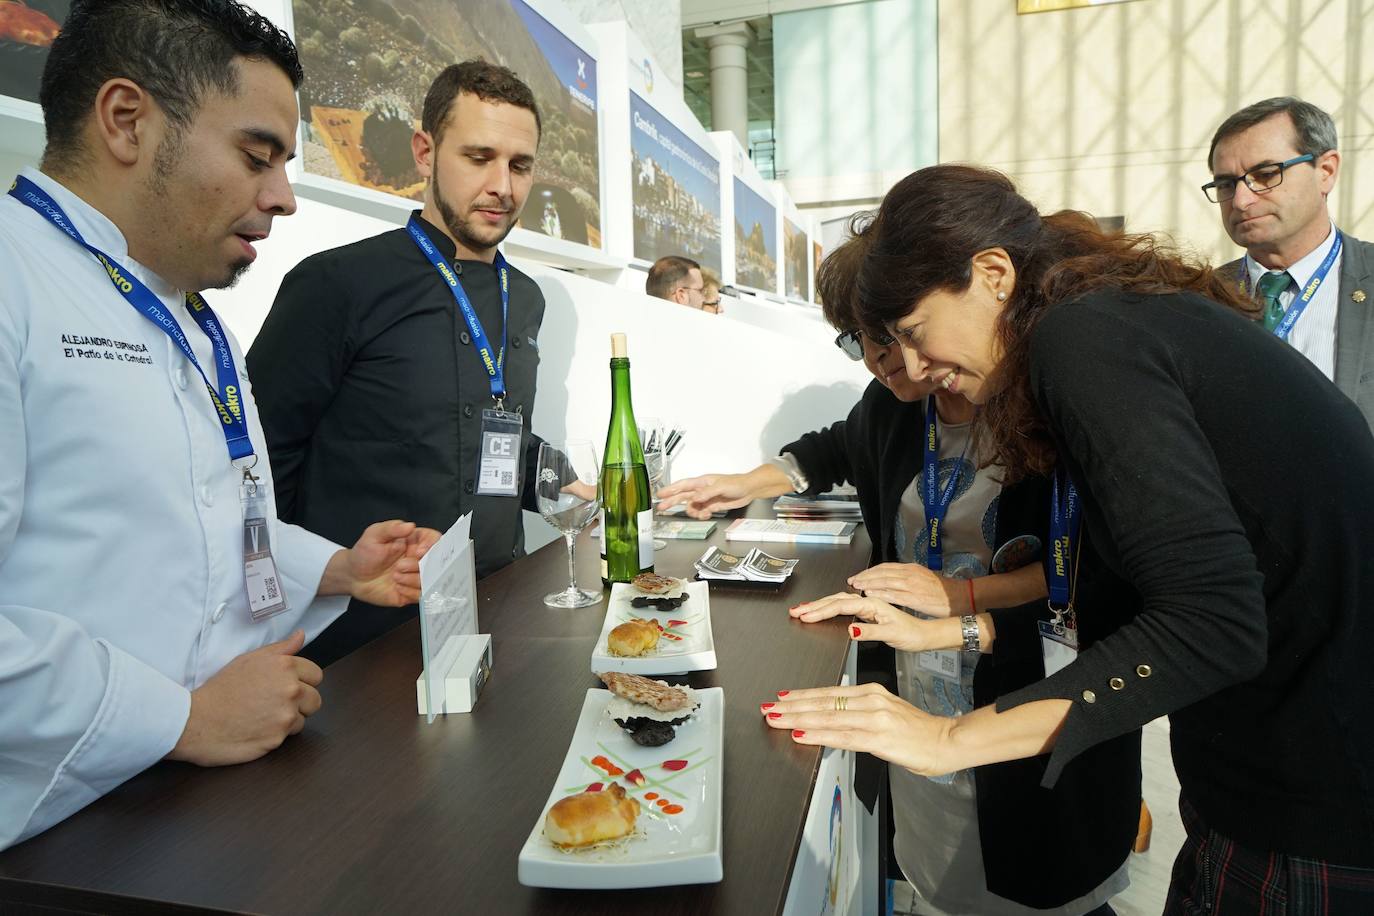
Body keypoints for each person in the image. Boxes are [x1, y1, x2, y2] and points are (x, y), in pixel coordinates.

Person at [766, 164, 1374, 913]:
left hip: (1319, 788)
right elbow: (1136, 587)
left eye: (915, 334)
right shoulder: (1109, 318)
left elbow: (1213, 624)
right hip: (1278, 764)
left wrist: (946, 739)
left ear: (993, 274)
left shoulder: (1077, 340)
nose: (916, 369)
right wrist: (966, 624)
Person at [0, 0, 438, 851]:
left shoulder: (188, 313)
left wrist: (336, 569)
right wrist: (180, 717)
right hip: (54, 837)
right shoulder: (14, 283)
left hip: (195, 803)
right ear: (126, 121)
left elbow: (200, 527)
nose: (282, 199)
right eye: (255, 157)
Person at [664, 226, 1138, 915]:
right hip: (924, 687)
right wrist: (745, 481)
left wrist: (958, 596)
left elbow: (1092, 570)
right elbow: (834, 449)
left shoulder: (1041, 396)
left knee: (1041, 878)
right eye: (859, 343)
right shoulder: (894, 407)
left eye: (892, 337)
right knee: (943, 868)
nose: (885, 363)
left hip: (1030, 687)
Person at [247, 60, 546, 666]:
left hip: (497, 608)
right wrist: (263, 616)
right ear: (424, 152)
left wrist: (574, 484)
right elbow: (258, 463)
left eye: (519, 166)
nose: (503, 187)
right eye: (478, 157)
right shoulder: (336, 283)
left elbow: (498, 429)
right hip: (361, 637)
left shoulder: (528, 298)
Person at [1206, 96, 1373, 428]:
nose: (1241, 200)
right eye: (1226, 184)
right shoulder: (1196, 299)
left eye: (1266, 175)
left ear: (1326, 172)